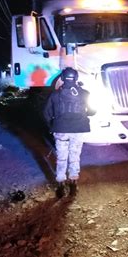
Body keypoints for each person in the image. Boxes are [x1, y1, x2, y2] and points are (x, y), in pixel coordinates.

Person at [43, 67, 93, 198]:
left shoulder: (55, 95)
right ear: (76, 78)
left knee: (61, 157)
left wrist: (53, 126)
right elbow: (93, 111)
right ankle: (73, 184)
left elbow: (46, 113)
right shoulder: (85, 94)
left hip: (60, 130)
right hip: (78, 129)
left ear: (63, 79)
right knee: (75, 156)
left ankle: (60, 185)